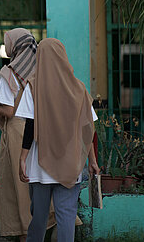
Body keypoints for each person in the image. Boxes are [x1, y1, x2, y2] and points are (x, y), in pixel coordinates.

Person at [18, 38, 100, 242]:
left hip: (39, 164)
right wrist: (93, 161)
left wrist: (22, 158)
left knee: (38, 218)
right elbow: (87, 128)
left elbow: (30, 125)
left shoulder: (32, 87)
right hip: (70, 162)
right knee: (66, 217)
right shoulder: (78, 88)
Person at [0, 28, 54, 242]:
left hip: (18, 131)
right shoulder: (44, 68)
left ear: (13, 46)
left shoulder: (10, 72)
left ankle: (25, 232)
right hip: (43, 130)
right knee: (43, 180)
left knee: (19, 184)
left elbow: (8, 111)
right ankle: (51, 226)